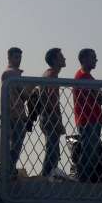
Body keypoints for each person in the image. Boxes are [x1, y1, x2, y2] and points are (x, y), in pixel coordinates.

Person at [72, 48, 102, 182]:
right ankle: (84, 180)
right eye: (93, 57)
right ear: (84, 59)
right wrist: (98, 93)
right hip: (89, 119)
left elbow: (100, 96)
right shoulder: (84, 77)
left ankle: (87, 178)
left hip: (91, 119)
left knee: (94, 151)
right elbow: (101, 97)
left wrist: (98, 94)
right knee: (89, 152)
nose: (96, 60)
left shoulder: (84, 76)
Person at [37, 48, 67, 177]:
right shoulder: (52, 75)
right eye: (61, 56)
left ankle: (48, 175)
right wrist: (57, 120)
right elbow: (51, 100)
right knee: (53, 150)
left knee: (53, 149)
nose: (64, 58)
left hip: (47, 115)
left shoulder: (48, 74)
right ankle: (46, 177)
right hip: (50, 116)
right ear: (55, 60)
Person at [1, 47, 29, 173]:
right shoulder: (12, 73)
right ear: (10, 58)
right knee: (15, 145)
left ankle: (8, 169)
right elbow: (24, 94)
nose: (19, 60)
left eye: (20, 57)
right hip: (15, 113)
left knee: (13, 145)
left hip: (13, 112)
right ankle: (9, 170)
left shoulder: (10, 73)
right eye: (16, 57)